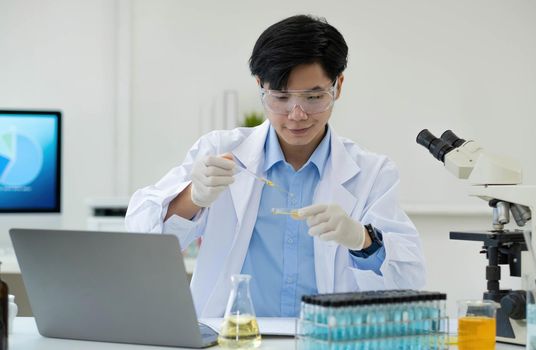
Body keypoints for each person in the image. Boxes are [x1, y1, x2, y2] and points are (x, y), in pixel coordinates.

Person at [126, 14, 426, 318]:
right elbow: (141, 240)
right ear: (261, 86)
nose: (297, 114)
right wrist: (193, 196)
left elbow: (409, 284)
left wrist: (362, 240)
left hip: (326, 339)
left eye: (313, 97)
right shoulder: (220, 151)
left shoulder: (372, 174)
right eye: (281, 97)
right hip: (235, 338)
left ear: (338, 86)